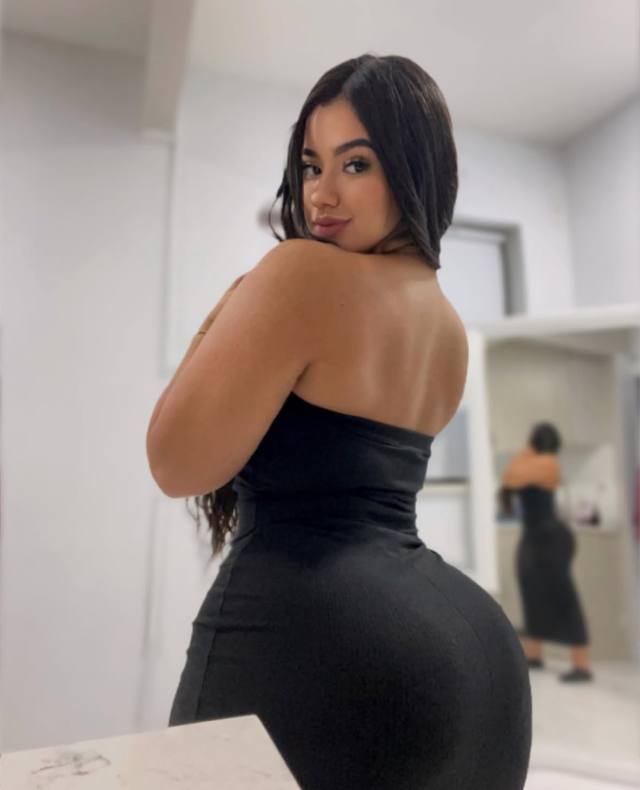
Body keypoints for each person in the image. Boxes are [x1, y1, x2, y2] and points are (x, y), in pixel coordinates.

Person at [147, 54, 531, 789]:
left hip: (315, 640)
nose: (321, 194)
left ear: (414, 167)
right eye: (310, 165)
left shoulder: (300, 272)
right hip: (475, 657)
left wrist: (235, 300)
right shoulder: (448, 327)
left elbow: (175, 462)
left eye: (356, 163)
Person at [501, 422, 593, 683]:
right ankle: (535, 654)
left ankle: (582, 665)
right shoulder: (533, 462)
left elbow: (512, 477)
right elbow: (510, 476)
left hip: (551, 538)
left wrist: (525, 452)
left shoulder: (548, 463)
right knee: (532, 593)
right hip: (533, 537)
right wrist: (526, 454)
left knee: (564, 598)